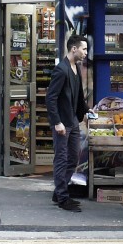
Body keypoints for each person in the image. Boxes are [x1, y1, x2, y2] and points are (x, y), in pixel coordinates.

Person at [47, 34, 89, 212]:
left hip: (72, 119)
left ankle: (59, 192)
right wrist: (57, 122)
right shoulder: (61, 69)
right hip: (62, 122)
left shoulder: (76, 68)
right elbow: (51, 98)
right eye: (84, 49)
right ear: (74, 49)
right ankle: (63, 198)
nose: (86, 52)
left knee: (73, 157)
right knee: (62, 159)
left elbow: (77, 95)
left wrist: (87, 110)